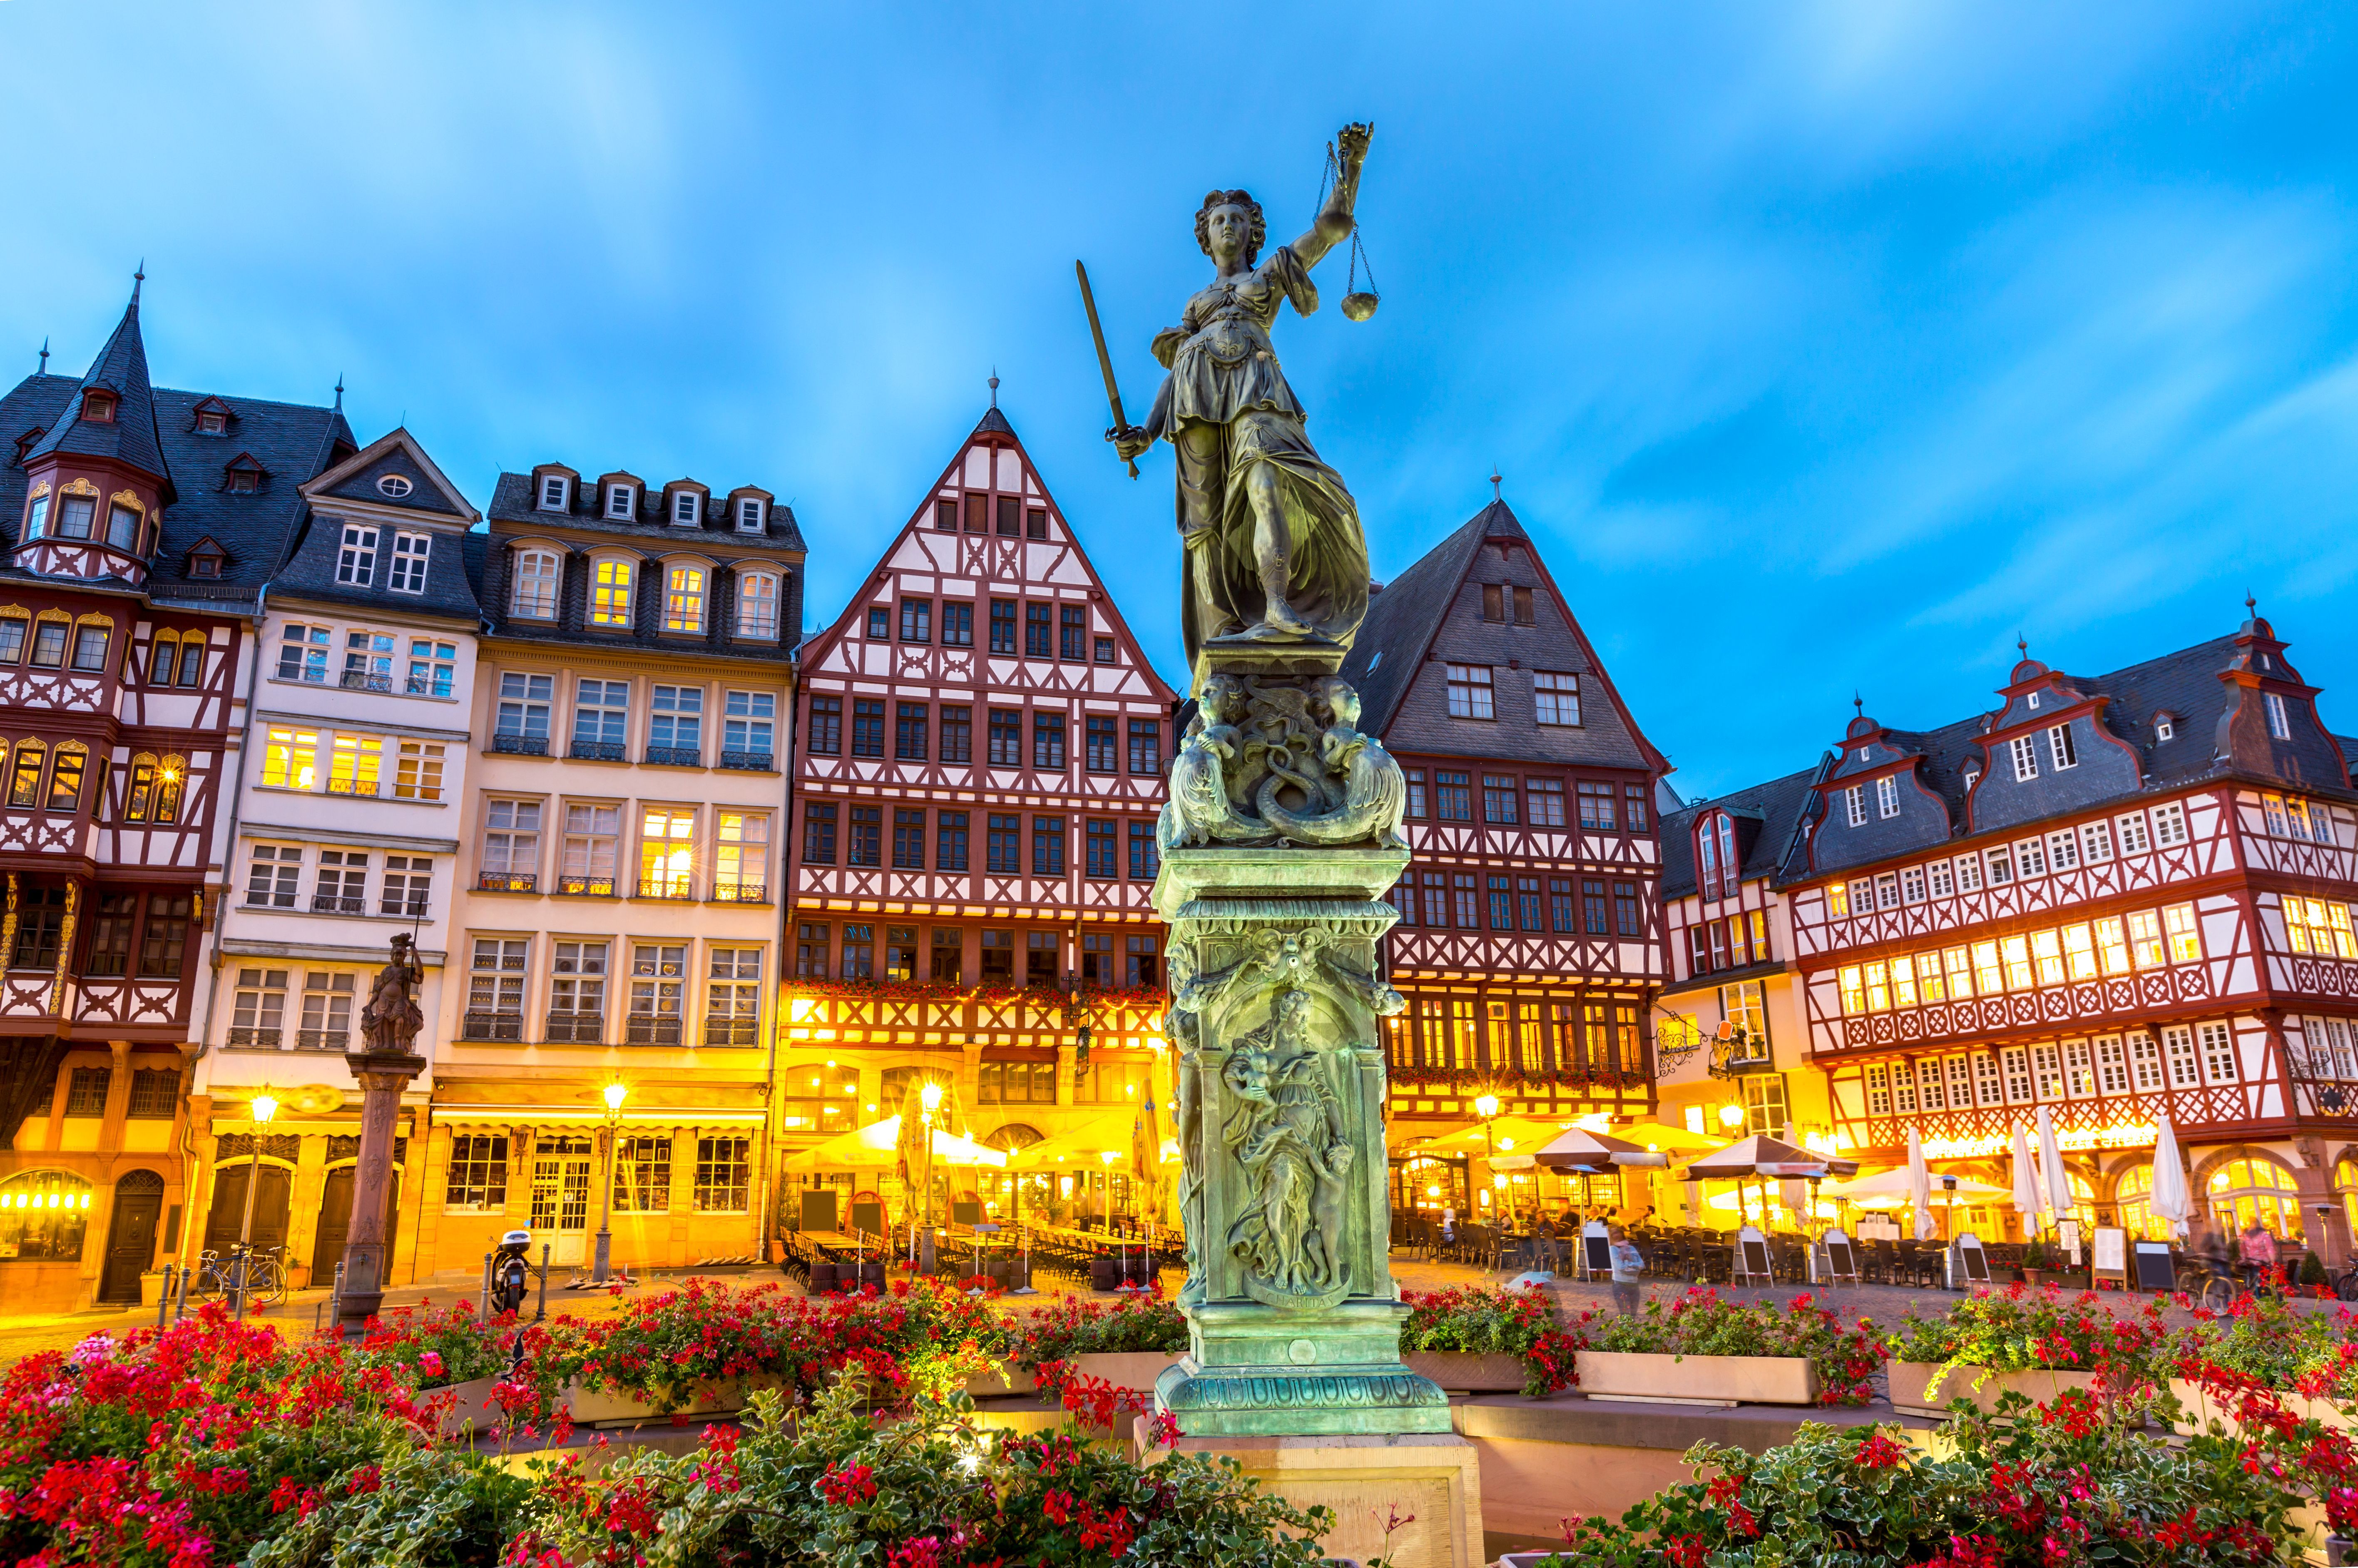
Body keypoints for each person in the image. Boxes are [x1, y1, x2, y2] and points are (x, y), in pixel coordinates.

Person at [1608, 1224, 1644, 1317]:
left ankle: (1631, 1330)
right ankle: (1626, 1331)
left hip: (1634, 1284)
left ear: (1622, 1234)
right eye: (1613, 1235)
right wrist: (1635, 1267)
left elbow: (1642, 1265)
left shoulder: (1631, 1248)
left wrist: (1629, 1264)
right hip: (1621, 1284)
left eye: (1618, 1233)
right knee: (1625, 1314)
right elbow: (1621, 1267)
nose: (1616, 1236)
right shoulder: (1613, 1250)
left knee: (1633, 1314)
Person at [2241, 1220, 2278, 1296]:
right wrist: (2243, 1259)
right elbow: (2243, 1248)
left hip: (2263, 1263)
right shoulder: (2247, 1237)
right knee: (2254, 1283)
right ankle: (2250, 1298)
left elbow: (2270, 1249)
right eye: (2251, 1226)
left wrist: (2272, 1262)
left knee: (2262, 1283)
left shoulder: (2264, 1236)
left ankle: (2259, 1298)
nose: (2252, 1228)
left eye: (2253, 1226)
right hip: (2252, 1263)